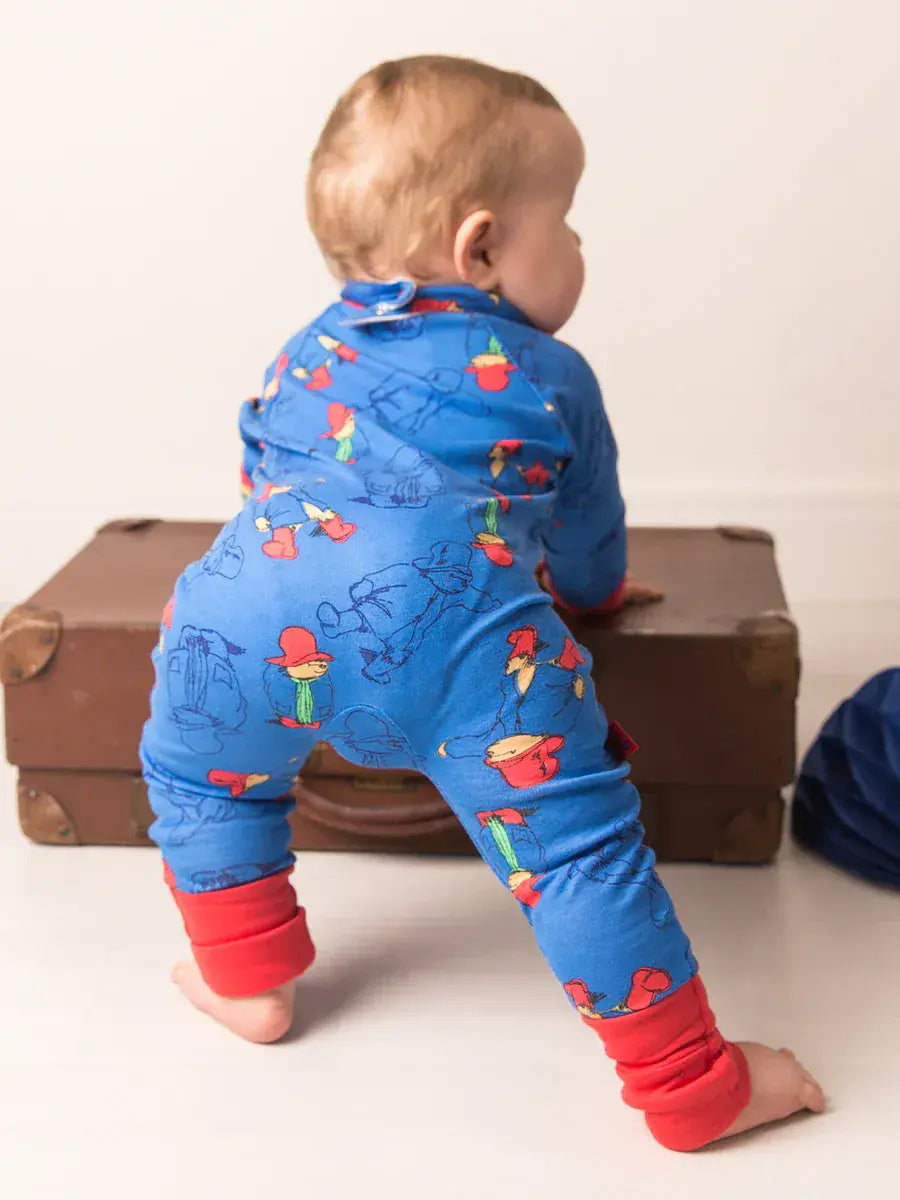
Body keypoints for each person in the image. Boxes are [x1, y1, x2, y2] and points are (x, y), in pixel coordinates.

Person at [140, 56, 824, 1150]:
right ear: (483, 249)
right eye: (570, 220)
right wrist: (593, 596)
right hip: (460, 646)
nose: (582, 246)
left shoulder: (300, 352)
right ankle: (693, 1087)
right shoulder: (553, 375)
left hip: (240, 615)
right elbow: (588, 533)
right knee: (575, 855)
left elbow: (261, 483)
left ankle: (247, 977)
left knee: (193, 770)